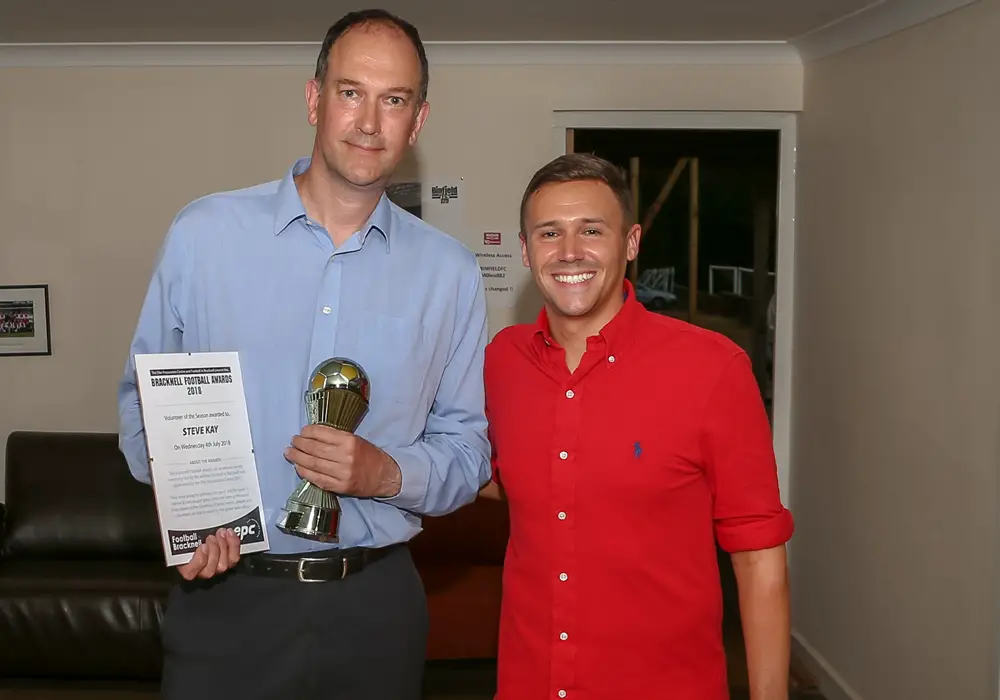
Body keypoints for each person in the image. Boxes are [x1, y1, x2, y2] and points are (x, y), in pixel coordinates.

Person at [117, 9, 491, 700]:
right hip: (226, 598)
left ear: (418, 121)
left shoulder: (450, 273)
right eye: (352, 92)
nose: (370, 121)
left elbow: (469, 452)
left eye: (395, 99)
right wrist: (188, 509)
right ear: (315, 99)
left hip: (375, 608)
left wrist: (387, 472)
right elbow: (144, 406)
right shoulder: (204, 235)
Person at [480, 153, 794, 700]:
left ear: (631, 242)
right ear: (526, 251)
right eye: (549, 233)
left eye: (592, 230)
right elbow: (495, 475)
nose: (570, 252)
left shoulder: (713, 370)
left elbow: (758, 555)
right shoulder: (501, 362)